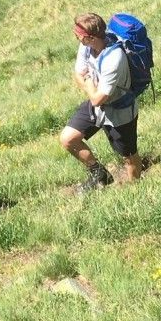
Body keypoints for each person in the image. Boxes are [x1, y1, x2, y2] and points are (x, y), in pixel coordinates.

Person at [59, 13, 142, 192]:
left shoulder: (114, 57)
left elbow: (97, 98)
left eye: (78, 35)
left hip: (120, 110)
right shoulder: (86, 46)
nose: (76, 37)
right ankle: (99, 173)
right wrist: (91, 87)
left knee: (128, 155)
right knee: (68, 139)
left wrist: (89, 82)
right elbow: (78, 74)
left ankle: (136, 190)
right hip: (97, 107)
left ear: (91, 37)